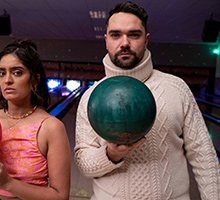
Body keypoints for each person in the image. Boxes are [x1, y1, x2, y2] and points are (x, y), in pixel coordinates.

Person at [74, 1, 220, 200]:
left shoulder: (176, 88)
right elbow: (83, 164)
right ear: (106, 40)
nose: (124, 43)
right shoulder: (90, 97)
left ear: (146, 39)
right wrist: (111, 155)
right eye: (116, 35)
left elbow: (204, 155)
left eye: (134, 34)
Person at [0, 39, 71, 200]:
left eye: (17, 72)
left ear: (35, 80)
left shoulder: (51, 128)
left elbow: (60, 196)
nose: (7, 80)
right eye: (2, 73)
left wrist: (8, 183)